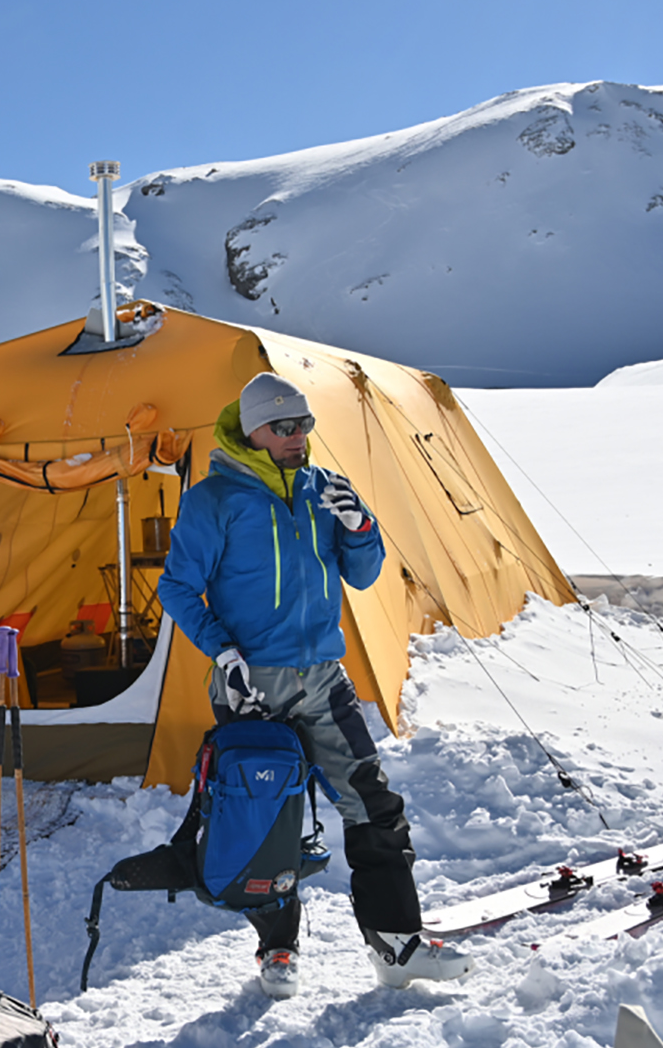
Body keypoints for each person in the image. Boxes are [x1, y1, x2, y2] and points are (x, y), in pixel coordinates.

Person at [156, 372, 471, 997]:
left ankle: (397, 945)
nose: (299, 436)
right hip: (250, 683)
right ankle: (276, 949)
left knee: (373, 805)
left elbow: (363, 574)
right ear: (253, 431)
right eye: (285, 426)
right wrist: (222, 652)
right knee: (263, 814)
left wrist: (361, 531)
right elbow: (176, 587)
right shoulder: (214, 499)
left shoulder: (327, 488)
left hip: (323, 677)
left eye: (305, 424)